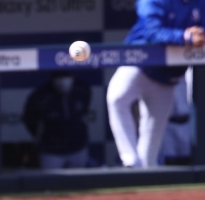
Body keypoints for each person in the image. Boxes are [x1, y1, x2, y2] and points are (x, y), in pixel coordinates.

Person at [106, 0, 205, 168]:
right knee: (116, 98)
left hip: (167, 77)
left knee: (151, 142)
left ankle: (144, 171)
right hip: (138, 64)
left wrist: (200, 35)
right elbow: (153, 31)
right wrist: (185, 37)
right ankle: (129, 159)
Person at [22, 71, 91, 170]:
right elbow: (30, 119)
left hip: (78, 147)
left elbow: (84, 109)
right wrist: (39, 136)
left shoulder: (82, 89)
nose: (63, 81)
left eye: (67, 75)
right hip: (51, 150)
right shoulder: (40, 95)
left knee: (80, 183)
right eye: (59, 77)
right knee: (50, 183)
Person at [159, 74, 192, 165]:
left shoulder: (190, 74)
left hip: (186, 121)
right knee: (169, 160)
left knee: (187, 159)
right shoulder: (160, 74)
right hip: (167, 123)